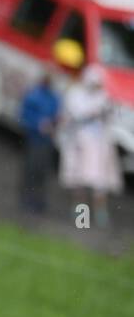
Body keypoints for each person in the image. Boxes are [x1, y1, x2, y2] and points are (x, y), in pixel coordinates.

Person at [58, 65, 123, 227]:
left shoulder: (104, 97)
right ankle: (81, 218)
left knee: (100, 183)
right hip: (80, 145)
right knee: (79, 182)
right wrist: (94, 112)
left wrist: (108, 111)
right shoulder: (75, 94)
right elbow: (76, 115)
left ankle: (100, 215)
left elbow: (113, 117)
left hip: (100, 146)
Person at [19, 74, 60, 214]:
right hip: (35, 138)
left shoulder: (54, 97)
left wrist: (53, 124)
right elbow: (24, 115)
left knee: (42, 171)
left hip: (46, 140)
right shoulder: (34, 95)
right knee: (31, 169)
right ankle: (27, 197)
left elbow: (56, 115)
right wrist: (38, 125)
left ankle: (38, 199)